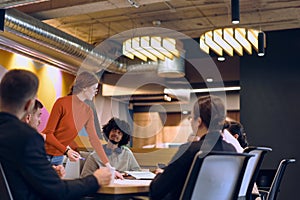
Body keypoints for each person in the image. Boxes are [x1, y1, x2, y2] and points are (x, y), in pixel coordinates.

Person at [0, 69, 112, 199]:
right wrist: (95, 179)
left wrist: (45, 173)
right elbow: (58, 192)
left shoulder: (87, 111)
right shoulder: (28, 138)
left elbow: (12, 175)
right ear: (30, 105)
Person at [149, 95, 237, 200]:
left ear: (199, 122)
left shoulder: (191, 150)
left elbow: (156, 190)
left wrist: (161, 176)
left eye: (191, 118)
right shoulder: (231, 150)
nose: (190, 121)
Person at [43, 71, 110, 167]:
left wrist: (108, 166)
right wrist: (67, 151)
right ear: (84, 87)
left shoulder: (88, 111)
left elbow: (94, 139)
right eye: (94, 88)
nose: (96, 91)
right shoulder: (62, 103)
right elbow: (48, 134)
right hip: (43, 153)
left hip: (59, 157)